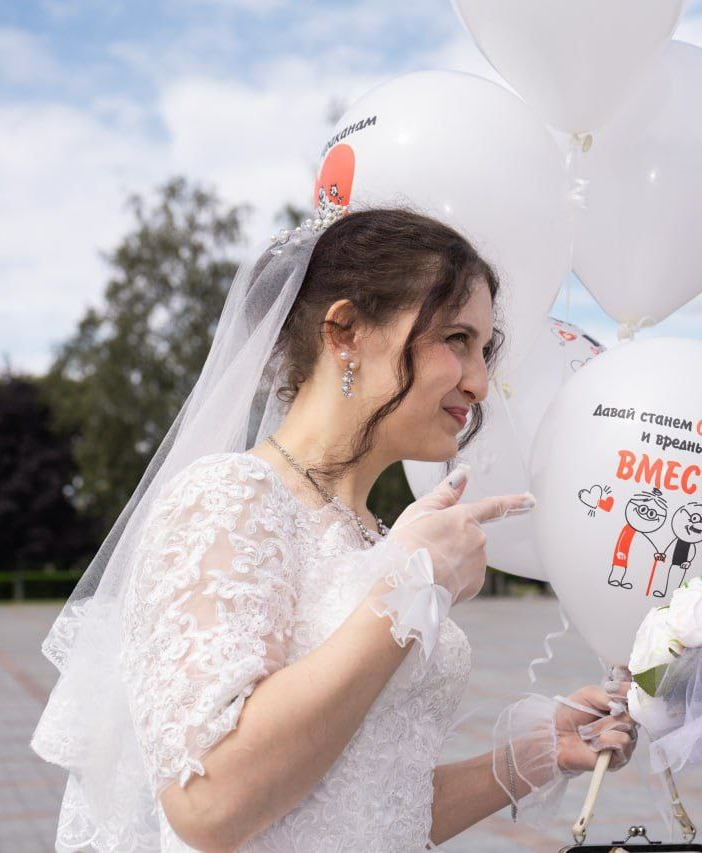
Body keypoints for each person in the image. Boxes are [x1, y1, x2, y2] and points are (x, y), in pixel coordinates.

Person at [31, 206, 636, 851]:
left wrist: (530, 758)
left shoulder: (374, 535)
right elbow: (207, 801)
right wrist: (410, 588)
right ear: (345, 330)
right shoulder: (230, 499)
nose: (481, 382)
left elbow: (369, 808)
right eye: (457, 340)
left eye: (485, 350)